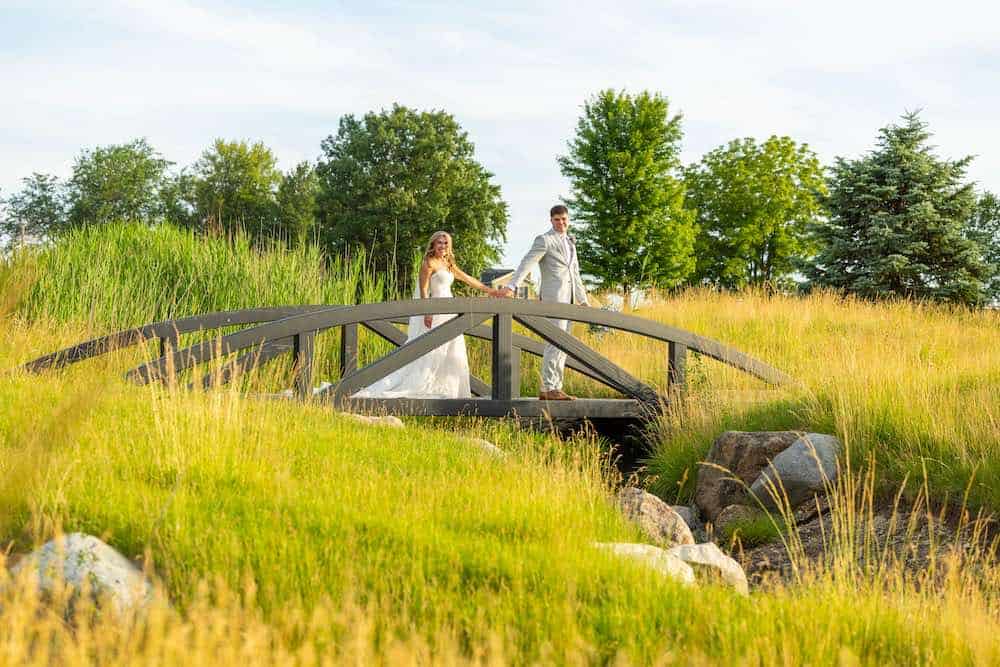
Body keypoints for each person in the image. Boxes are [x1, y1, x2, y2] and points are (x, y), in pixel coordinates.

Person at [352, 231, 500, 398]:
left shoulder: (448, 264)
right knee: (432, 348)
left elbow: (467, 279)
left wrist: (492, 291)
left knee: (452, 350)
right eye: (439, 243)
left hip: (450, 311)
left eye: (445, 243)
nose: (442, 246)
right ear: (433, 245)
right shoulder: (429, 263)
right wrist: (427, 312)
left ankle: (449, 391)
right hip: (436, 310)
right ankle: (424, 385)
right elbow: (423, 290)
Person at [500, 205, 589, 400]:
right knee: (554, 342)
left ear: (568, 219)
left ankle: (555, 386)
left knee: (563, 344)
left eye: (564, 219)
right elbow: (527, 263)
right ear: (551, 220)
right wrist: (512, 286)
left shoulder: (571, 243)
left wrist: (583, 301)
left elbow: (575, 274)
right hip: (553, 299)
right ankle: (548, 387)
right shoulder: (544, 240)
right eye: (557, 219)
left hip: (570, 300)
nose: (561, 223)